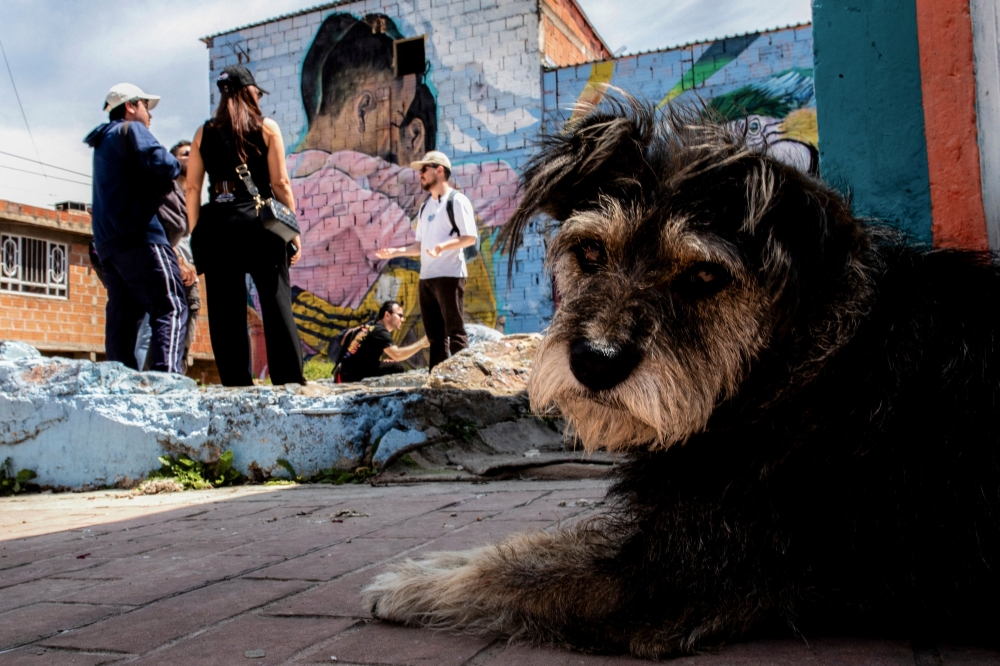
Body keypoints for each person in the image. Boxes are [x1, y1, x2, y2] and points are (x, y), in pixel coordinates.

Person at [185, 65, 306, 386]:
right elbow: (280, 183)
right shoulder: (267, 128)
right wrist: (292, 232)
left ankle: (236, 382)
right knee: (275, 298)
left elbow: (193, 188)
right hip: (259, 222)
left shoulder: (203, 132)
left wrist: (198, 231)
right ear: (249, 92)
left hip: (218, 224)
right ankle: (289, 379)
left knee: (225, 309)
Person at [84, 83, 187, 373]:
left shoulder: (102, 143)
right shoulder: (131, 130)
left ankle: (121, 384)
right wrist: (178, 165)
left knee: (123, 320)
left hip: (109, 244)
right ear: (130, 106)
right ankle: (167, 383)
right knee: (171, 306)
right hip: (142, 236)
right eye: (145, 106)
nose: (149, 115)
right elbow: (162, 162)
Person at [375, 151, 477, 369]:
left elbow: (469, 237)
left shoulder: (457, 201)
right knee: (434, 336)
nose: (419, 174)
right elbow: (421, 245)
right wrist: (395, 252)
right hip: (427, 278)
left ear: (439, 170)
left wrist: (443, 246)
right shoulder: (425, 207)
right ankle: (437, 380)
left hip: (450, 275)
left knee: (455, 332)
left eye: (424, 169)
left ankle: (466, 380)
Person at [136, 140, 202, 372]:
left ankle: (176, 383)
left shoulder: (194, 197)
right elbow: (155, 232)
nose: (192, 158)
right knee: (151, 334)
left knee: (183, 343)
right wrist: (177, 259)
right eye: (186, 154)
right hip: (165, 269)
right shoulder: (162, 191)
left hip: (190, 280)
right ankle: (145, 383)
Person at [337, 301, 429, 382]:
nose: (403, 319)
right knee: (397, 367)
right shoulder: (380, 331)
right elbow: (397, 355)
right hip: (352, 376)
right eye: (399, 315)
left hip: (344, 372)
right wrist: (422, 343)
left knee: (391, 364)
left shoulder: (371, 325)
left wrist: (377, 362)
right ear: (387, 315)